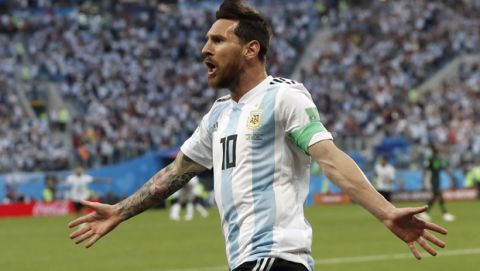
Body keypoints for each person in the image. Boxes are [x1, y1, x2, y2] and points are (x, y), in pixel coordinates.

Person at [68, 1, 448, 270]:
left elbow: (329, 157)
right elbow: (176, 172)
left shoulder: (283, 96)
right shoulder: (219, 115)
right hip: (251, 260)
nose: (205, 49)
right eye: (206, 40)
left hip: (274, 257)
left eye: (218, 40)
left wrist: (385, 212)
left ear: (252, 49)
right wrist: (120, 210)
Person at [419, 145, 455, 222]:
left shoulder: (436, 159)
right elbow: (427, 169)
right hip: (434, 179)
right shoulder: (432, 159)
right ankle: (445, 213)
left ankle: (425, 213)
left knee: (435, 196)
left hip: (437, 179)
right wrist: (423, 181)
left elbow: (440, 167)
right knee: (438, 195)